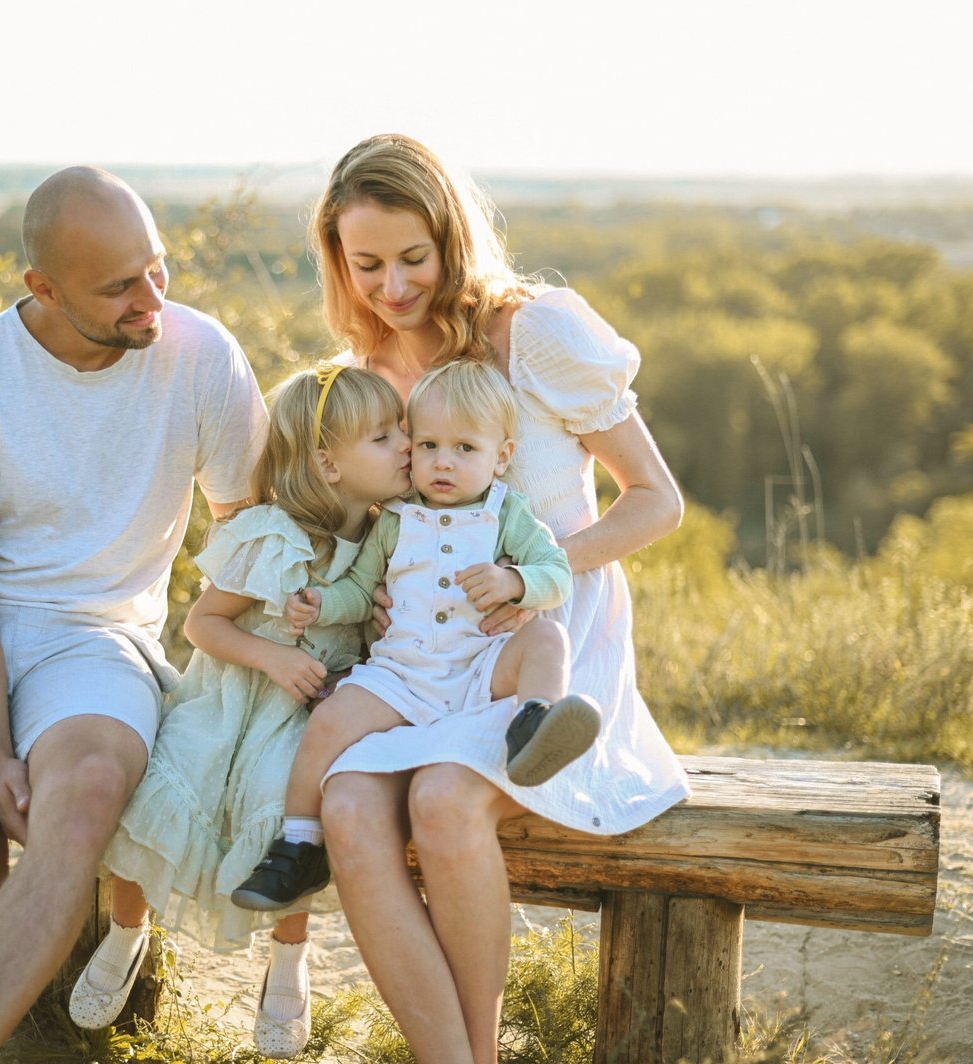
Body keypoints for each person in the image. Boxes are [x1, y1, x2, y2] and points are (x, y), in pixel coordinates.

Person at [0, 166, 268, 1064]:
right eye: (118, 285)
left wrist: (237, 677)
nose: (150, 299)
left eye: (157, 269)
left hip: (98, 642)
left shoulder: (203, 358)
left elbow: (251, 528)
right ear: (42, 287)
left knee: (75, 811)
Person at [306, 133, 691, 1063]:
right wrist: (388, 599)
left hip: (547, 643)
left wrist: (533, 569)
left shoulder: (536, 335)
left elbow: (658, 502)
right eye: (367, 266)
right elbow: (377, 534)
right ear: (338, 262)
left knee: (443, 799)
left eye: (413, 258)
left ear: (451, 238)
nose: (393, 286)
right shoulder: (365, 377)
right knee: (348, 805)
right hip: (424, 661)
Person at [67, 364, 410, 1058]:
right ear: (327, 463)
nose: (407, 443)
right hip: (226, 701)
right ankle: (126, 932)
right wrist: (274, 657)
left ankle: (289, 962)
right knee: (165, 789)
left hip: (302, 720)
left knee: (288, 812)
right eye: (385, 435)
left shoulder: (390, 538)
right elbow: (203, 626)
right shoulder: (268, 534)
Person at [230, 359, 601, 913]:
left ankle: (534, 723)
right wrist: (322, 603)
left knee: (547, 642)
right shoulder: (395, 518)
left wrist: (513, 581)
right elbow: (361, 589)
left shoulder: (508, 513)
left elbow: (554, 574)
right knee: (329, 720)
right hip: (403, 673)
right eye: (427, 445)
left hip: (481, 665)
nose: (442, 462)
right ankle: (298, 846)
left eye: (464, 449)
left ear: (502, 457)